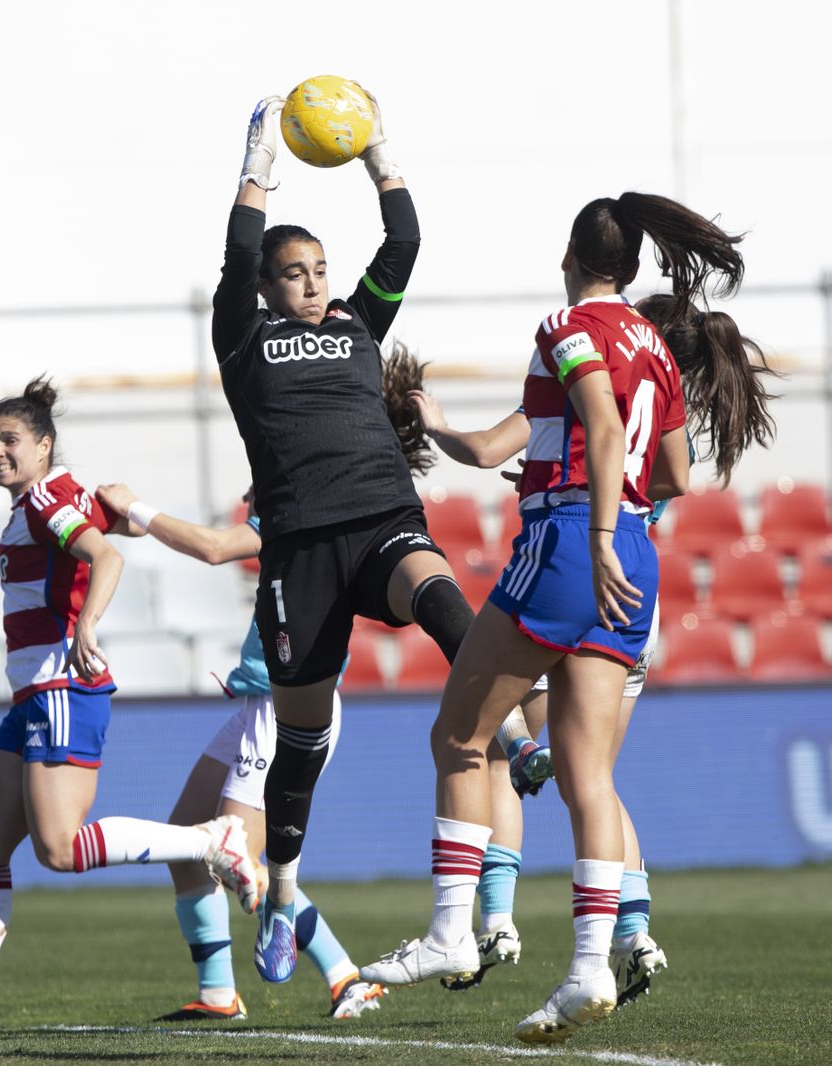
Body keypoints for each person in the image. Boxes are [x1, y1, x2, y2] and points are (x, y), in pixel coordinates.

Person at [361, 192, 775, 1047]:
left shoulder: (567, 325)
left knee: (459, 738)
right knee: (588, 775)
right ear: (632, 265)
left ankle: (450, 933)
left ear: (572, 257)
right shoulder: (656, 346)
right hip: (632, 562)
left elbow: (599, 421)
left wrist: (587, 524)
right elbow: (671, 474)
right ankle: (591, 965)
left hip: (572, 553)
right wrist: (444, 429)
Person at [216, 93, 502, 985]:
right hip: (299, 552)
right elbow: (234, 251)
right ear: (267, 285)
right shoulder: (243, 337)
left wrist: (380, 151)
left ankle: (516, 733)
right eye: (295, 271)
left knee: (436, 589)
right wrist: (257, 167)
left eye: (320, 268)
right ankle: (285, 887)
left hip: (382, 516)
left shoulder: (356, 327)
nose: (313, 281)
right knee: (299, 746)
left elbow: (404, 243)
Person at [0, 376, 258, 1034]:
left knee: (58, 850)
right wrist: (112, 504)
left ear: (44, 445)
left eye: (11, 441)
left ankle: (210, 839)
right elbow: (106, 527)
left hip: (61, 687)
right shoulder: (50, 496)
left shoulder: (41, 502)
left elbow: (105, 556)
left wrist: (86, 624)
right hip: (32, 695)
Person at [95, 481, 386, 1022]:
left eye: (258, 487)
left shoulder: (294, 520)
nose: (248, 497)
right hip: (258, 707)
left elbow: (210, 548)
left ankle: (346, 975)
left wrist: (134, 506)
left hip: (283, 713)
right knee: (188, 839)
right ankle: (217, 995)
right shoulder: (292, 522)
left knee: (239, 860)